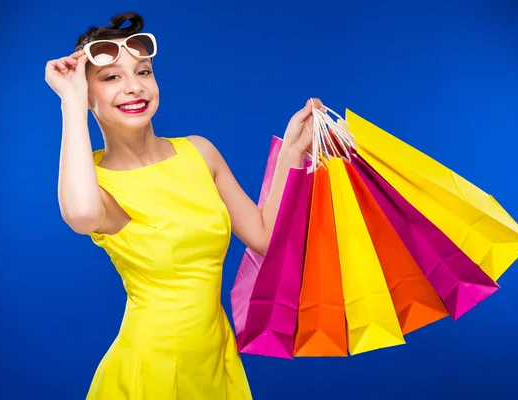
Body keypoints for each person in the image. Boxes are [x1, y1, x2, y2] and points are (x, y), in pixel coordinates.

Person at [45, 11, 322, 400]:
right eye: (111, 78)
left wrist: (293, 150)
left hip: (214, 359)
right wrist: (70, 103)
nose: (134, 87)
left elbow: (264, 236)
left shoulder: (199, 152)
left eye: (143, 72)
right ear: (88, 94)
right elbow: (81, 215)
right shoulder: (95, 183)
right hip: (151, 369)